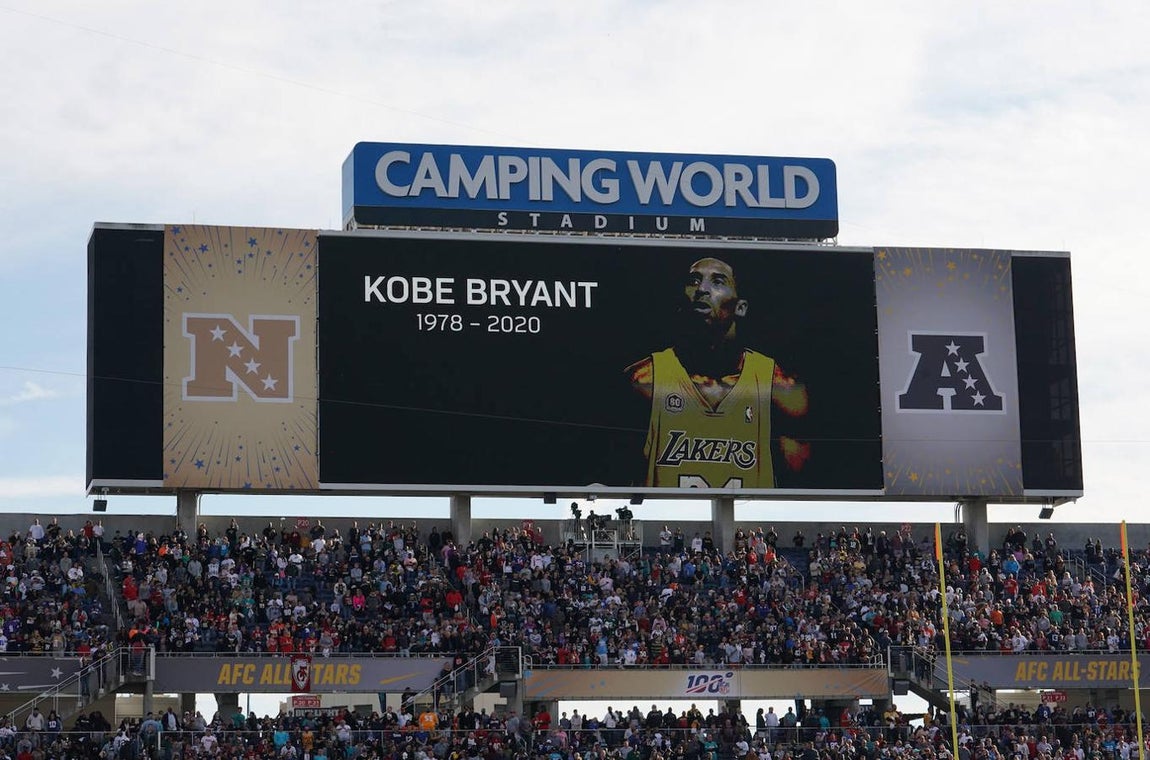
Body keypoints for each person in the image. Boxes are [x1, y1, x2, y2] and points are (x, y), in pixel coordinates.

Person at [625, 256, 809, 489]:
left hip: (743, 522)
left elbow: (801, 486)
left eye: (717, 282)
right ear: (681, 300)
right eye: (694, 281)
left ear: (740, 307)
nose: (702, 289)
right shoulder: (643, 381)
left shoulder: (779, 387)